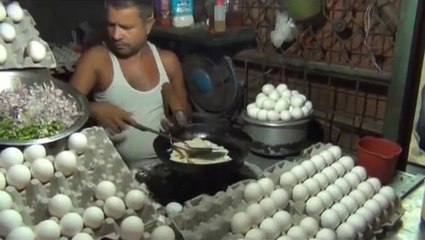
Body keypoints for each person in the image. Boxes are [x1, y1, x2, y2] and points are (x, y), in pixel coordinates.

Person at [70, 0, 191, 168]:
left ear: (148, 25)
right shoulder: (97, 59)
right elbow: (63, 110)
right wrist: (92, 109)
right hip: (116, 173)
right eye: (111, 25)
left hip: (167, 168)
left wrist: (177, 119)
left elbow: (185, 114)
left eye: (126, 27)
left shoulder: (168, 61)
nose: (116, 35)